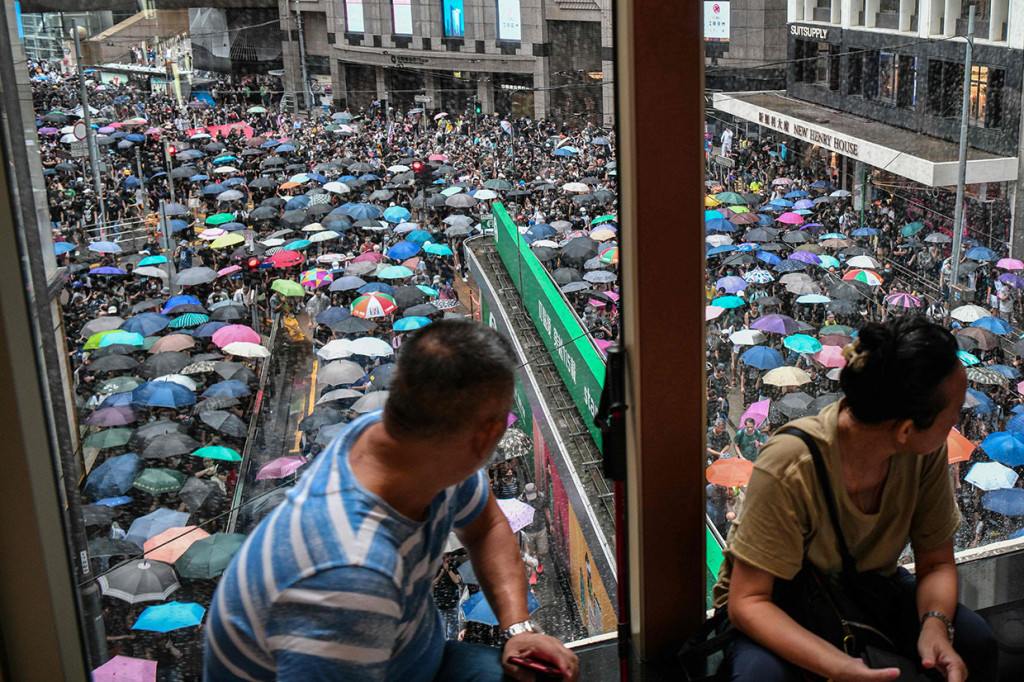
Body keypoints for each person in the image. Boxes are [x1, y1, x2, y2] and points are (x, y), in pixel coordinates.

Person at [204, 319, 579, 681]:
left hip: (417, 658)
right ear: (487, 437)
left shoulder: (418, 442)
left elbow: (488, 527)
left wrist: (518, 628)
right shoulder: (349, 576)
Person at [712, 317, 997, 681]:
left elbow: (937, 563)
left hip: (865, 588)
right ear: (906, 429)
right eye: (952, 413)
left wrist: (935, 625)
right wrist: (838, 666)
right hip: (778, 602)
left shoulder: (925, 453)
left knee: (976, 641)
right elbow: (748, 602)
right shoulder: (790, 463)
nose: (957, 421)